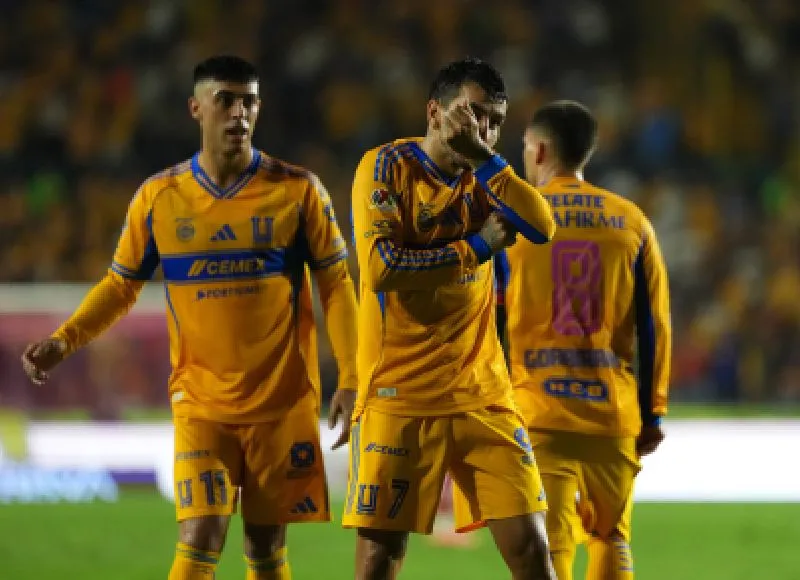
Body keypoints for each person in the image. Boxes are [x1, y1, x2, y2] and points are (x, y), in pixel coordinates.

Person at [20, 55, 359, 580]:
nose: (239, 112)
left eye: (249, 102)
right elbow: (121, 285)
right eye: (225, 100)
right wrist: (64, 340)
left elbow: (336, 284)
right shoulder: (160, 197)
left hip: (282, 401)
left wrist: (353, 376)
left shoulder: (299, 190)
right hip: (200, 402)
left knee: (266, 547)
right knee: (200, 536)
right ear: (196, 108)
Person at [344, 57, 558, 580]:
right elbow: (381, 269)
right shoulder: (385, 167)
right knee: (378, 562)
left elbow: (543, 226)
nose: (484, 129)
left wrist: (484, 157)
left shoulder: (487, 176)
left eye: (495, 121)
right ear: (435, 112)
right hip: (400, 392)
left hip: (482, 394)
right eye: (474, 114)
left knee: (532, 551)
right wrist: (477, 248)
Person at [496, 100, 672, 579]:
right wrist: (652, 411)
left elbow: (489, 318)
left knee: (548, 544)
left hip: (537, 410)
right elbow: (655, 325)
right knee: (610, 537)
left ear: (540, 150)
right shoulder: (631, 221)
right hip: (611, 413)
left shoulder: (512, 221)